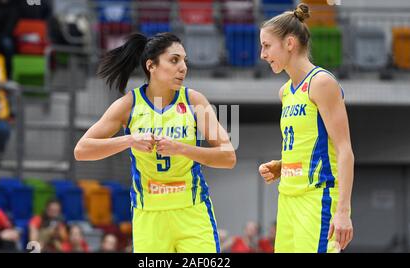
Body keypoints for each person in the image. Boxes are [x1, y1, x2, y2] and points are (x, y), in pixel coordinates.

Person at [75, 32, 236, 253]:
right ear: (151, 66)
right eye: (174, 60)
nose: (183, 67)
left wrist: (181, 148)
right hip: (148, 217)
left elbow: (228, 157)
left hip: (192, 212)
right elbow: (82, 150)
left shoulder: (194, 101)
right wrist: (129, 139)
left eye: (184, 61)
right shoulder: (129, 105)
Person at [258, 3, 354, 253]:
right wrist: (283, 165)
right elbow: (310, 142)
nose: (262, 54)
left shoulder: (321, 83)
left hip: (318, 199)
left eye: (267, 46)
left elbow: (344, 150)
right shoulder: (285, 92)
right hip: (288, 198)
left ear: (289, 43)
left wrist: (343, 211)